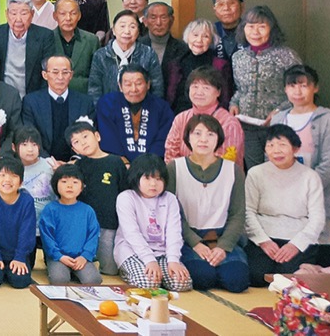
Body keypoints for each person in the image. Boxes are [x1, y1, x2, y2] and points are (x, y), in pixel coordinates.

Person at [271, 65, 330, 266]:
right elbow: (269, 160)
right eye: (292, 86)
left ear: (315, 88)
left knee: (324, 266)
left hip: (324, 202)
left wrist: (303, 192)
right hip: (287, 207)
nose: (297, 91)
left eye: (304, 85)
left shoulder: (329, 121)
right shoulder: (279, 119)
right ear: (285, 89)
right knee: (295, 267)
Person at [166, 115, 249, 292]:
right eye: (197, 133)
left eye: (210, 134)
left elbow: (238, 214)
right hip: (188, 239)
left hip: (222, 237)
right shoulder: (174, 168)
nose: (203, 139)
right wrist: (195, 243)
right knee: (202, 278)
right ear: (188, 137)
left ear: (219, 139)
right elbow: (171, 214)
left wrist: (223, 247)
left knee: (237, 281)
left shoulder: (233, 170)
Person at [244, 124, 325, 286]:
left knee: (290, 278)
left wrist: (295, 245)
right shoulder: (255, 173)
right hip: (265, 234)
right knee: (256, 276)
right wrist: (264, 241)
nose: (276, 151)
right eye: (270, 145)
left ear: (295, 148)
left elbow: (317, 218)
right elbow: (248, 211)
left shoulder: (310, 176)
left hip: (297, 236)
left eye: (282, 145)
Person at [230, 5, 301, 170]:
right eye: (250, 26)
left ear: (271, 29)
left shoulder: (287, 56)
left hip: (278, 125)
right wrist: (233, 103)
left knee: (277, 170)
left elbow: (300, 90)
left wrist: (280, 110)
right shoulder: (238, 57)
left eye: (262, 26)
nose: (255, 32)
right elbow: (240, 89)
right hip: (248, 127)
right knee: (255, 172)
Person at [114, 154, 192, 291]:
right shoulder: (126, 197)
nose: (153, 184)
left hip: (162, 253)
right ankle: (128, 272)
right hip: (132, 251)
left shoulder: (170, 199)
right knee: (148, 283)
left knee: (181, 283)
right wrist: (149, 260)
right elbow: (131, 233)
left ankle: (160, 275)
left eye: (158, 179)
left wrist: (173, 260)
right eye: (147, 178)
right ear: (136, 177)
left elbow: (174, 232)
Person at [66, 120, 129, 275]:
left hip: (109, 224)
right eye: (76, 142)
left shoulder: (115, 162)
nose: (83, 143)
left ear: (97, 136)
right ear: (74, 149)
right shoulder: (78, 166)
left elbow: (125, 192)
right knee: (79, 265)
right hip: (84, 225)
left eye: (85, 137)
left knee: (110, 270)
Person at [22, 55, 96, 162]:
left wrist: (74, 162)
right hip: (42, 161)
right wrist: (49, 162)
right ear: (45, 75)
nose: (60, 77)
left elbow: (91, 139)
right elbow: (31, 136)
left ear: (71, 75)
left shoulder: (85, 102)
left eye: (65, 72)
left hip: (78, 162)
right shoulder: (31, 102)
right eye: (55, 72)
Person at [163, 66, 244, 163]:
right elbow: (171, 153)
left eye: (206, 88)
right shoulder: (181, 118)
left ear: (218, 92)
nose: (199, 92)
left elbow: (225, 161)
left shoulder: (229, 123)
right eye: (195, 86)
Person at [0, 0, 58, 97]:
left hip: (33, 96)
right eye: (13, 13)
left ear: (32, 14)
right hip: (0, 96)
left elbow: (48, 70)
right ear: (6, 14)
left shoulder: (45, 36)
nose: (18, 19)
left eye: (24, 13)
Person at [96, 63, 174, 161]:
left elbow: (162, 139)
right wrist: (122, 161)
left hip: (151, 163)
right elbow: (109, 138)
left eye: (139, 83)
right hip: (117, 163)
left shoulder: (161, 107)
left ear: (148, 84)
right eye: (128, 84)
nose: (133, 89)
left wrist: (148, 162)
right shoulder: (108, 103)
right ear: (120, 86)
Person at [40, 165, 103, 285]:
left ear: (82, 186)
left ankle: (75, 271)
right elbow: (47, 237)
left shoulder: (87, 210)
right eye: (64, 182)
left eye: (75, 182)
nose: (69, 186)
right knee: (59, 280)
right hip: (58, 257)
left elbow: (93, 235)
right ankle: (65, 271)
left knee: (93, 280)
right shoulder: (50, 209)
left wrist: (85, 256)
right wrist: (59, 256)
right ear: (55, 185)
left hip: (81, 257)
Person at [0, 158, 36, 289]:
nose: (7, 180)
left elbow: (26, 232)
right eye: (2, 175)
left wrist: (20, 257)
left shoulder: (27, 201)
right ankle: (2, 270)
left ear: (21, 182)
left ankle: (10, 270)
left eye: (14, 176)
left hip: (18, 253)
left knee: (19, 281)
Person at [88, 10, 163, 99]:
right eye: (122, 26)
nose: (127, 31)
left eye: (132, 27)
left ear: (138, 32)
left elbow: (157, 87)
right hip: (109, 106)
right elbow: (94, 89)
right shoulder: (101, 55)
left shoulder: (148, 53)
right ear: (113, 30)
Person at [165, 19, 234, 113]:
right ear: (187, 36)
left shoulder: (220, 65)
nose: (199, 40)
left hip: (210, 116)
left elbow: (225, 98)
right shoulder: (175, 64)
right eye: (195, 35)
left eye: (205, 36)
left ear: (212, 40)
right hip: (178, 114)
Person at [50, 0, 98, 94]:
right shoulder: (47, 39)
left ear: (79, 16)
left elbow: (96, 75)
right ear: (55, 16)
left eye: (73, 13)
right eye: (62, 14)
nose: (68, 18)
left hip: (83, 95)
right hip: (53, 95)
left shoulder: (91, 40)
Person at [13, 127, 56, 225]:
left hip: (48, 223)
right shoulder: (11, 169)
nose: (30, 149)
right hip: (22, 224)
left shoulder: (50, 165)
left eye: (34, 144)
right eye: (24, 144)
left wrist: (60, 173)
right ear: (13, 147)